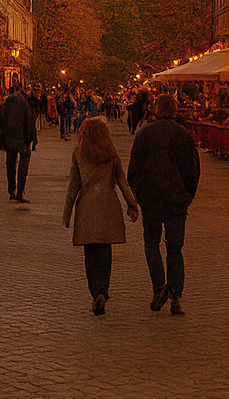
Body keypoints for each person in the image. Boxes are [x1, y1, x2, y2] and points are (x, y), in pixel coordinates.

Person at [127, 94, 200, 316]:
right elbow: (193, 171)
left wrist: (139, 195)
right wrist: (187, 194)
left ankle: (159, 287)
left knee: (152, 243)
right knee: (175, 249)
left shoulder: (144, 134)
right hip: (177, 201)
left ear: (156, 110)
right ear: (175, 111)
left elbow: (133, 170)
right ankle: (175, 296)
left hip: (152, 200)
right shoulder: (184, 136)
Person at [63, 117, 139, 316]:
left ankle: (95, 292)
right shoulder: (111, 154)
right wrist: (132, 205)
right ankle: (103, 291)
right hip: (108, 203)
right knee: (105, 251)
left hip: (87, 205)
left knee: (90, 253)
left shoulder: (78, 154)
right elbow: (122, 180)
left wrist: (67, 214)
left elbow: (73, 186)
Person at [0, 87, 38, 203]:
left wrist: (1, 139)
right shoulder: (24, 104)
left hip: (9, 138)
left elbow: (0, 121)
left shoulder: (5, 105)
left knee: (10, 163)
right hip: (22, 139)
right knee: (23, 164)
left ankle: (11, 191)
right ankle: (20, 191)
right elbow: (29, 121)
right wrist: (30, 139)